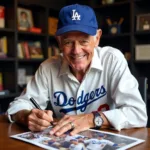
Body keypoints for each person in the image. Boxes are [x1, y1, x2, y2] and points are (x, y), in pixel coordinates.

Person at [7, 4, 147, 136]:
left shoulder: (112, 59)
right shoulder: (48, 67)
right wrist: (26, 116)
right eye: (68, 42)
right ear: (59, 41)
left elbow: (138, 114)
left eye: (84, 41)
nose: (76, 50)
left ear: (97, 38)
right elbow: (18, 106)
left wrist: (90, 119)